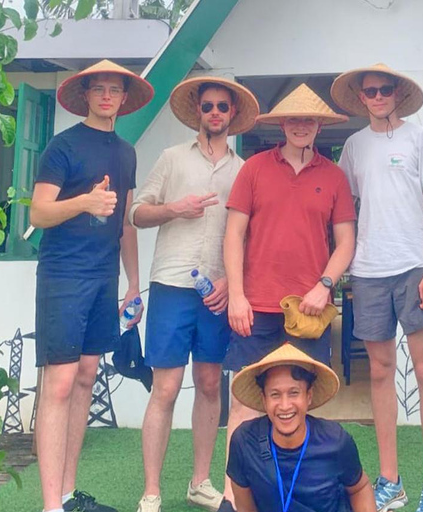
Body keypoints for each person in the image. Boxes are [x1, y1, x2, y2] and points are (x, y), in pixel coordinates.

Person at [129, 77, 259, 512]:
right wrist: (174, 209)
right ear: (198, 112)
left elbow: (249, 236)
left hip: (218, 292)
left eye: (223, 106)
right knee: (164, 388)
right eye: (208, 106)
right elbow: (136, 212)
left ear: (233, 115)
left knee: (209, 383)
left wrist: (229, 282)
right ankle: (151, 490)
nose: (216, 113)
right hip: (170, 284)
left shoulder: (245, 171)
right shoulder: (170, 159)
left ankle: (200, 481)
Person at [224, 83, 357, 507]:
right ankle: (233, 495)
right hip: (256, 306)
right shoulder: (254, 168)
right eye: (294, 119)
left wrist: (324, 285)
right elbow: (233, 235)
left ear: (319, 125)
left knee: (303, 402)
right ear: (283, 124)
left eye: (309, 119)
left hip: (309, 310)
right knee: (245, 404)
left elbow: (346, 242)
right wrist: (237, 296)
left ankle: (297, 491)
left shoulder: (334, 175)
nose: (302, 126)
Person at [30, 60, 154, 512]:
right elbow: (39, 214)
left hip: (105, 277)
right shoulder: (61, 147)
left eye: (114, 89)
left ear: (124, 98)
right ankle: (50, 506)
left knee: (85, 378)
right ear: (86, 97)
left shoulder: (126, 152)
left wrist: (134, 282)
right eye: (98, 89)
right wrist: (84, 201)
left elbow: (125, 222)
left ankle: (66, 493)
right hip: (63, 276)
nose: (106, 96)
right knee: (59, 383)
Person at [331, 63, 423, 512]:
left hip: (415, 265)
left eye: (384, 90)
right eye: (370, 92)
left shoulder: (420, 139)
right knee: (379, 372)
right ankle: (390, 479)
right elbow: (344, 205)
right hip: (368, 269)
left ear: (397, 94)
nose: (377, 97)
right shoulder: (354, 146)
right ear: (361, 98)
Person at [227, 344, 375, 512]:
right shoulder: (244, 442)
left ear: (308, 396)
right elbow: (245, 508)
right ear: (264, 400)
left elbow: (359, 488)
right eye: (275, 394)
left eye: (294, 393)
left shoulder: (336, 441)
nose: (284, 406)